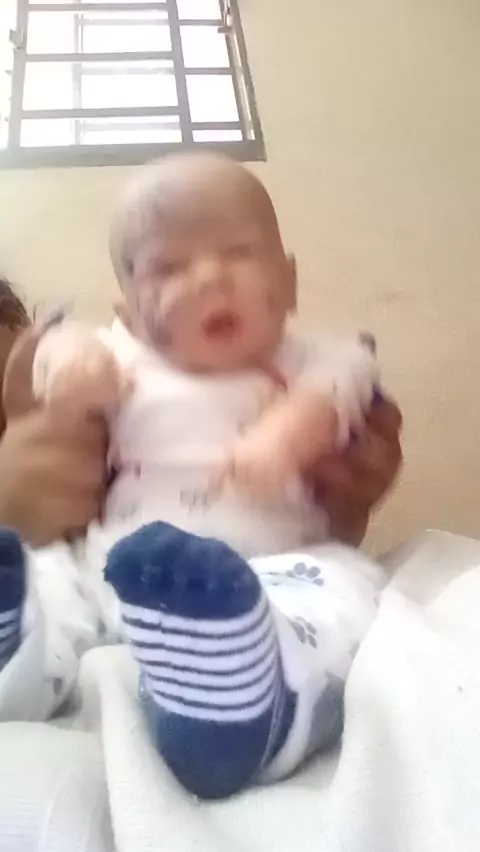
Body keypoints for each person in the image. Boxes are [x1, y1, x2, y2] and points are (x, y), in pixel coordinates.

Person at [2, 153, 400, 798]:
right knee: (51, 577)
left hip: (278, 566)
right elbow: (60, 351)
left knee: (345, 591)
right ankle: (15, 646)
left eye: (239, 253)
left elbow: (340, 389)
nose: (210, 278)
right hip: (119, 563)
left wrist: (285, 436)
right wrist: (68, 363)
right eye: (167, 268)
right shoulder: (122, 352)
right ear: (129, 310)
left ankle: (245, 704)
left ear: (289, 282)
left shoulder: (315, 355)